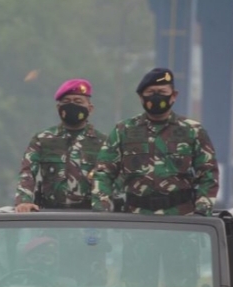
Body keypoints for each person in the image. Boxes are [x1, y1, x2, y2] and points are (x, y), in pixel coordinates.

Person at [91, 68, 219, 216]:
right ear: (141, 97)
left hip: (180, 217)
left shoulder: (193, 131)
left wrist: (202, 212)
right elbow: (104, 172)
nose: (156, 97)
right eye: (151, 93)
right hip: (135, 217)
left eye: (162, 92)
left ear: (173, 96)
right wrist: (102, 209)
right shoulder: (123, 130)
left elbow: (208, 173)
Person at [15, 79, 107, 212]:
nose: (72, 106)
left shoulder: (103, 143)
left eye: (78, 102)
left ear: (90, 108)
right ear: (58, 108)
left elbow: (111, 177)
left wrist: (104, 207)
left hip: (91, 215)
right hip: (51, 214)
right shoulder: (42, 139)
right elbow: (28, 172)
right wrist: (24, 201)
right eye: (66, 102)